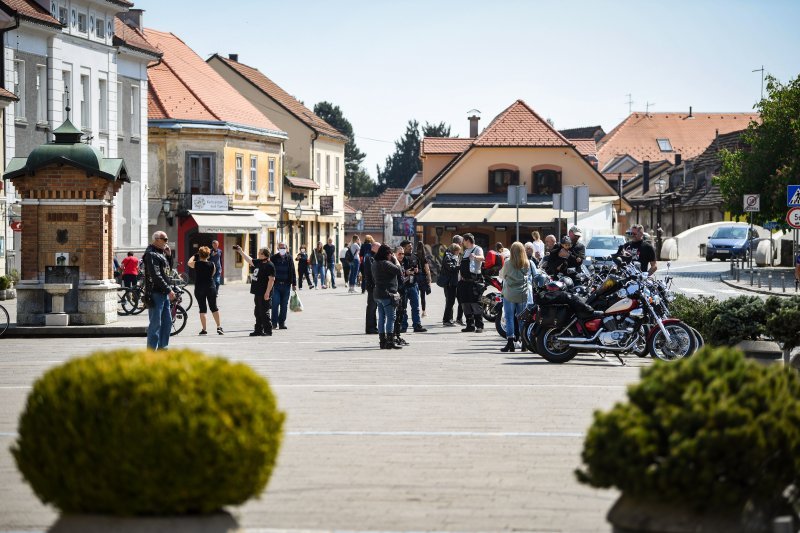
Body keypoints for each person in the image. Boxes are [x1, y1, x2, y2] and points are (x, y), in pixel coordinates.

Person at [142, 231, 176, 350]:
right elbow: (156, 276)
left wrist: (169, 256)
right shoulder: (151, 254)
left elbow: (168, 271)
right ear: (156, 239)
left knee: (167, 323)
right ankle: (151, 352)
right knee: (156, 324)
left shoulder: (160, 253)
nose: (167, 241)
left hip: (164, 293)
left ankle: (163, 349)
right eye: (164, 239)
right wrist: (169, 290)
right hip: (155, 293)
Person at [234, 245, 275, 336]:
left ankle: (268, 330)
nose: (258, 254)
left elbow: (271, 280)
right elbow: (250, 260)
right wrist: (241, 252)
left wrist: (267, 292)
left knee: (264, 311)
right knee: (257, 311)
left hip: (264, 292)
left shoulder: (269, 265)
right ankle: (258, 330)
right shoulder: (260, 262)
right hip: (258, 292)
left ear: (264, 255)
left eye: (259, 253)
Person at [498, 242, 531, 352]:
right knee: (522, 318)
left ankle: (510, 342)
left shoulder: (508, 263)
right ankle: (524, 343)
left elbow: (502, 275)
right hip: (522, 294)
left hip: (509, 293)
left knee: (509, 318)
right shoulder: (527, 263)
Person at [372, 243, 403, 350]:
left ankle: (382, 341)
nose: (391, 255)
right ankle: (390, 341)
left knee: (381, 317)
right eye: (390, 254)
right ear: (387, 254)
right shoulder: (385, 263)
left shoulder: (375, 263)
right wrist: (396, 260)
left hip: (378, 293)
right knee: (391, 317)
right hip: (387, 294)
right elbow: (399, 271)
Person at [187, 246, 222, 335]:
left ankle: (204, 329)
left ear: (200, 254)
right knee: (214, 307)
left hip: (199, 288)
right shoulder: (212, 264)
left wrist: (194, 256)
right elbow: (213, 274)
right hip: (210, 287)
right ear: (208, 255)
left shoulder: (196, 264)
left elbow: (189, 263)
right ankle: (219, 327)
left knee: (202, 309)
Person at [457, 233, 485, 333]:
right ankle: (470, 325)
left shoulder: (477, 249)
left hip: (474, 281)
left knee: (475, 303)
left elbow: (483, 258)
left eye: (463, 241)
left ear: (467, 240)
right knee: (465, 303)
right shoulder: (465, 251)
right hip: (464, 282)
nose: (463, 243)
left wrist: (475, 257)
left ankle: (479, 326)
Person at [399, 239, 427, 333]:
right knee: (403, 307)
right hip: (403, 286)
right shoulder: (400, 258)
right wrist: (406, 272)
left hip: (414, 285)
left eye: (411, 247)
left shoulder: (415, 257)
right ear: (403, 248)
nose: (411, 249)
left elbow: (420, 270)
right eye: (408, 247)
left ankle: (417, 325)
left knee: (415, 307)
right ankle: (403, 326)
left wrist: (416, 271)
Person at [271, 242, 297, 329]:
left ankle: (282, 322)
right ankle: (274, 323)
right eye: (280, 248)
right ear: (278, 249)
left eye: (284, 248)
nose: (282, 249)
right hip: (276, 285)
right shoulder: (273, 258)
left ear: (286, 249)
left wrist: (294, 284)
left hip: (286, 285)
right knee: (275, 303)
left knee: (284, 304)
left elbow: (293, 270)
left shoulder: (289, 258)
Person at [440, 242, 461, 326]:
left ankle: (448, 319)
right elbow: (451, 267)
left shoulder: (454, 256)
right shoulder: (448, 257)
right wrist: (460, 266)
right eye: (458, 251)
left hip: (454, 282)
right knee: (450, 302)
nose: (459, 253)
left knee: (451, 301)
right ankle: (446, 320)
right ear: (454, 250)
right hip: (449, 283)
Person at [362, 241, 380, 334]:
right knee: (372, 307)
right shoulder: (369, 257)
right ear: (374, 247)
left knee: (374, 307)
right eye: (379, 247)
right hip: (372, 285)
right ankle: (370, 328)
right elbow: (371, 272)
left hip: (373, 285)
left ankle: (373, 327)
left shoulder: (373, 257)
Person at [415, 241, 432, 318]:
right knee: (422, 296)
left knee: (415, 295)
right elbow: (427, 270)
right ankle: (423, 312)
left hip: (416, 277)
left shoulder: (415, 256)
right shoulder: (424, 258)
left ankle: (415, 310)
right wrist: (429, 280)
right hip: (423, 278)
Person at [452, 234, 465, 325]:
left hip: (459, 280)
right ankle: (449, 319)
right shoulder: (450, 254)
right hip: (453, 281)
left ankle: (457, 318)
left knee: (460, 301)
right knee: (451, 301)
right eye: (461, 243)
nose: (462, 244)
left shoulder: (460, 254)